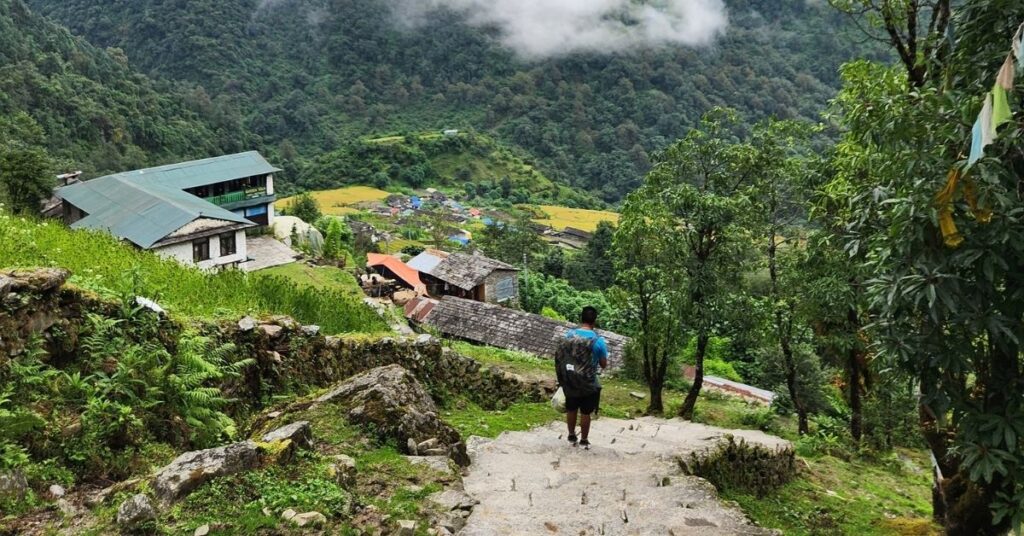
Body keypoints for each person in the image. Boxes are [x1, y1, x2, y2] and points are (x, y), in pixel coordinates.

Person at [563, 306, 608, 449]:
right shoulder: (598, 341)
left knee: (571, 408)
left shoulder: (570, 335)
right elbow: (604, 364)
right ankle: (584, 439)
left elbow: (564, 354)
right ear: (594, 321)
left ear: (581, 318)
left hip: (571, 378)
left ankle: (571, 434)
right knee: (586, 411)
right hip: (588, 381)